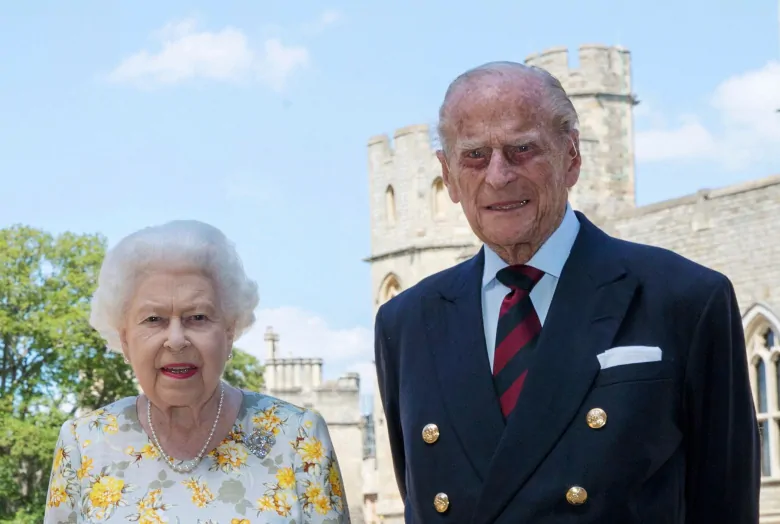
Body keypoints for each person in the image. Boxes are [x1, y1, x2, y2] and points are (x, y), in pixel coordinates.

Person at [373, 62, 760, 523]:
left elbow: (725, 504)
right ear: (448, 176)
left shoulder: (685, 300)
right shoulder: (407, 323)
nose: (498, 176)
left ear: (571, 156)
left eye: (522, 149)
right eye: (474, 156)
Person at [44, 220, 350, 523]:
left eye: (198, 317)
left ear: (229, 331)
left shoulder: (298, 437)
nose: (176, 340)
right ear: (124, 338)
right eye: (154, 319)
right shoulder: (82, 443)